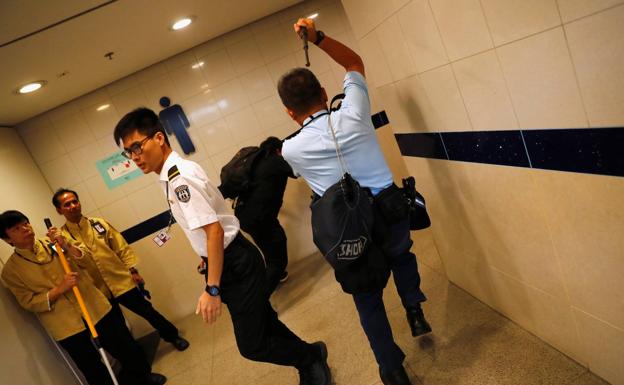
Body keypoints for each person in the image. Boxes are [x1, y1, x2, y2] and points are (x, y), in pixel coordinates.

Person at [113, 108, 332, 385]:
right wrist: (206, 258)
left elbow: (214, 232)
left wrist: (212, 288)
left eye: (136, 147)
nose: (134, 157)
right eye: (128, 152)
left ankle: (309, 359)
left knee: (252, 345)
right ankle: (311, 355)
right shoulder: (173, 175)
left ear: (158, 138)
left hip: (235, 263)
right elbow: (211, 227)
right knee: (264, 321)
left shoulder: (180, 179)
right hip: (230, 257)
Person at [278, 18, 432, 385]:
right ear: (323, 90)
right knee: (402, 255)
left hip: (349, 230)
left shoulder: (290, 150)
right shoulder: (354, 111)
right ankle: (413, 307)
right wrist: (316, 38)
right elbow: (354, 63)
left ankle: (391, 369)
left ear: (288, 111)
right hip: (389, 208)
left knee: (367, 298)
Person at [0, 210, 166, 385]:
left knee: (123, 345)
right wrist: (59, 289)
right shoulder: (11, 271)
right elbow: (28, 302)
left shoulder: (54, 242)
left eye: (26, 223)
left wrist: (66, 245)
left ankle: (144, 377)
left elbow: (86, 260)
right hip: (65, 324)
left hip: (94, 306)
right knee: (90, 365)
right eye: (17, 228)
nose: (25, 229)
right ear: (7, 239)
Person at [52, 188, 189, 351]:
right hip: (98, 290)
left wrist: (133, 271)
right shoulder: (62, 237)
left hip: (120, 280)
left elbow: (121, 248)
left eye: (75, 201)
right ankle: (138, 357)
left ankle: (172, 336)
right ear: (59, 210)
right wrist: (60, 244)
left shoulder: (99, 224)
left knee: (147, 311)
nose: (73, 206)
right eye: (67, 204)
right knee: (118, 327)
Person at [227, 136, 295, 296]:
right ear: (278, 151)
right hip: (259, 219)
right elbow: (297, 171)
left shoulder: (256, 163)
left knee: (271, 253)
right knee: (278, 262)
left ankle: (273, 277)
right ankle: (261, 299)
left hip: (246, 217)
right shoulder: (275, 161)